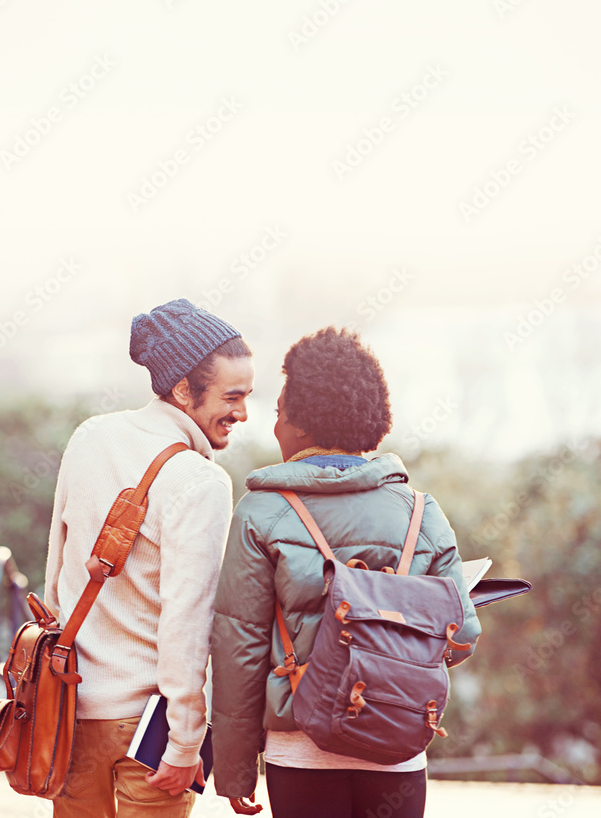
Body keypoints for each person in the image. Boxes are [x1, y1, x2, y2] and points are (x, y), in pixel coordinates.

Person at [210, 326, 481, 818]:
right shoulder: (422, 512)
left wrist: (233, 769)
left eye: (278, 413)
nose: (274, 428)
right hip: (397, 747)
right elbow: (461, 636)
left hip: (301, 752)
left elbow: (239, 650)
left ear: (302, 425)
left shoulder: (260, 514)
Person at [44, 298, 254, 817]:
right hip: (148, 732)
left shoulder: (89, 437)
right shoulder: (200, 481)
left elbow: (56, 582)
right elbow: (187, 621)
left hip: (71, 714)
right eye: (231, 397)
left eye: (248, 396)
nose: (242, 413)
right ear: (184, 390)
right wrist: (185, 742)